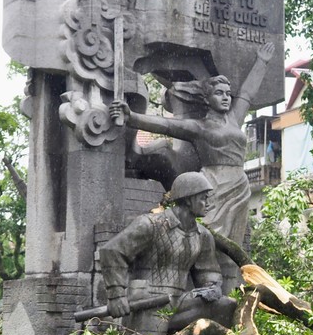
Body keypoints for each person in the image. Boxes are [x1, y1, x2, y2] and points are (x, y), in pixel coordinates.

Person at [111, 42, 276, 245]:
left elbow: (247, 93)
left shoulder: (235, 118)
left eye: (227, 93)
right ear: (206, 99)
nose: (225, 97)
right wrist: (133, 117)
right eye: (218, 93)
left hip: (239, 186)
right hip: (213, 184)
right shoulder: (199, 127)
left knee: (233, 242)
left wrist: (262, 61)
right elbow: (165, 125)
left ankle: (231, 276)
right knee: (207, 237)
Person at [97, 171, 237, 335]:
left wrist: (212, 286)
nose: (207, 203)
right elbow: (113, 251)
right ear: (188, 198)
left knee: (226, 306)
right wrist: (116, 295)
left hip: (182, 301)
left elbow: (208, 270)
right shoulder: (150, 224)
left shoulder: (203, 235)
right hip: (149, 301)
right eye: (203, 198)